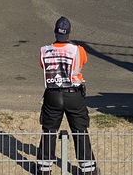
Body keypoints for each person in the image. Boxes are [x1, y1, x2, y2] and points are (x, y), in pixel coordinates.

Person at [38, 17, 98, 175]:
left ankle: (43, 169)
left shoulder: (44, 50)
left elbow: (41, 64)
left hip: (52, 94)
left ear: (55, 32)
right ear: (69, 32)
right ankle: (88, 169)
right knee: (80, 130)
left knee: (49, 130)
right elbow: (83, 61)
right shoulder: (78, 50)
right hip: (73, 94)